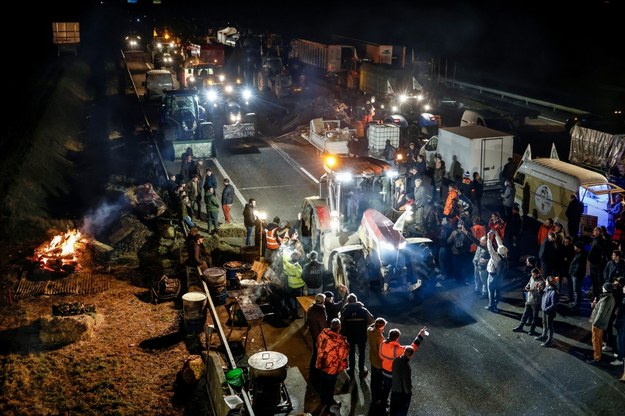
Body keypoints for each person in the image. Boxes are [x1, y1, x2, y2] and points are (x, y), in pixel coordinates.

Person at [379, 327, 428, 410]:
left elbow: (381, 356)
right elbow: (412, 348)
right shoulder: (396, 349)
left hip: (384, 370)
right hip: (392, 373)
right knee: (394, 390)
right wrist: (420, 335)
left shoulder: (383, 343)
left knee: (385, 388)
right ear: (397, 338)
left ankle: (383, 403)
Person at [316, 318, 350, 411]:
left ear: (330, 326)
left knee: (323, 382)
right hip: (332, 367)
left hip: (322, 363)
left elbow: (318, 344)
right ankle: (329, 401)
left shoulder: (323, 334)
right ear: (339, 327)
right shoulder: (340, 342)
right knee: (330, 384)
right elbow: (343, 356)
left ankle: (323, 399)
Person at [340, 293, 374, 380]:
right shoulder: (363, 310)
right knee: (362, 353)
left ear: (348, 301)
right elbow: (371, 321)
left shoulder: (345, 311)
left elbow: (341, 323)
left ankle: (351, 370)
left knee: (351, 353)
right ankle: (361, 370)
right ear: (356, 300)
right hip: (361, 335)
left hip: (350, 335)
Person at [587, 282, 616, 364]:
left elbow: (600, 313)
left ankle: (596, 358)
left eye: (603, 287)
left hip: (598, 324)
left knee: (595, 340)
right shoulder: (611, 298)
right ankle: (597, 355)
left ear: (606, 289)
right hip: (603, 323)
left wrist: (594, 323)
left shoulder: (605, 299)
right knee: (599, 340)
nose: (602, 288)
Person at [513, 268, 545, 335]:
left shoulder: (541, 282)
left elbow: (540, 293)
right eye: (532, 275)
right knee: (525, 315)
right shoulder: (532, 277)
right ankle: (520, 326)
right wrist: (527, 287)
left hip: (536, 302)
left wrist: (534, 290)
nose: (533, 276)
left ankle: (532, 330)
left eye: (534, 275)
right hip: (529, 300)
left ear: (538, 274)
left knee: (534, 317)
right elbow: (529, 283)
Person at [307, 293, 328, 392]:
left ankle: (312, 371)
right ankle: (317, 373)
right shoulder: (321, 312)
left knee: (314, 353)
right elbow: (323, 327)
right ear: (323, 301)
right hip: (320, 337)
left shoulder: (311, 308)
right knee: (319, 354)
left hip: (313, 334)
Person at [367, 317, 387, 409]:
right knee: (379, 382)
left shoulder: (370, 331)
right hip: (379, 363)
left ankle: (374, 396)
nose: (384, 328)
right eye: (383, 327)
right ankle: (378, 398)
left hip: (372, 359)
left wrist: (375, 325)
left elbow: (370, 327)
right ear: (381, 327)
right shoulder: (381, 339)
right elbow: (382, 352)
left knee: (374, 379)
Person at [389, 346, 416, 416]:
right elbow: (406, 382)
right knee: (401, 411)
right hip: (401, 392)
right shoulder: (406, 366)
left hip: (394, 388)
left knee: (393, 409)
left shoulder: (396, 360)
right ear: (411, 355)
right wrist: (408, 393)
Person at [485, 229, 507, 312]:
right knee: (497, 290)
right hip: (500, 276)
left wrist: (488, 238)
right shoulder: (504, 254)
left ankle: (491, 306)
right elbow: (500, 243)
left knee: (491, 291)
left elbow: (489, 248)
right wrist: (496, 234)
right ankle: (496, 304)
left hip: (492, 276)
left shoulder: (496, 257)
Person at [535, 275, 559, 347]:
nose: (545, 282)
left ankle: (549, 340)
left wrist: (546, 309)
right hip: (544, 310)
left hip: (549, 312)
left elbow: (554, 305)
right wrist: (539, 289)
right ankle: (544, 335)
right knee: (544, 323)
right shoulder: (547, 288)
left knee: (549, 326)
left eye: (546, 281)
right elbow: (543, 295)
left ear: (549, 282)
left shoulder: (554, 292)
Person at [283, 250, 305, 320]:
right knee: (296, 301)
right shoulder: (296, 265)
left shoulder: (287, 263)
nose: (299, 257)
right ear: (296, 256)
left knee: (292, 300)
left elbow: (286, 272)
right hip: (298, 285)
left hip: (290, 283)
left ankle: (291, 312)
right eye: (299, 256)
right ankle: (295, 315)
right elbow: (299, 275)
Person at [569, 240, 588, 313]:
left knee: (576, 290)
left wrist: (573, 273)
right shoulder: (579, 254)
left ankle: (576, 305)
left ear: (578, 248)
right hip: (576, 275)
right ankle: (576, 303)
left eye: (575, 246)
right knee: (577, 290)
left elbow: (578, 267)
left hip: (576, 275)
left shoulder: (580, 256)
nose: (574, 247)